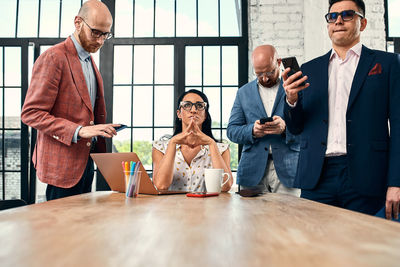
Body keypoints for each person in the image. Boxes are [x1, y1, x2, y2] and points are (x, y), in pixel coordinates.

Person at [283, 0, 400, 219]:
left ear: (362, 23)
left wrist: (396, 182)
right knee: (314, 246)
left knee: (363, 246)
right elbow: (296, 128)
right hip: (317, 176)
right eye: (332, 16)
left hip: (367, 174)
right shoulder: (309, 69)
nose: (338, 21)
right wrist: (291, 99)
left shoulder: (388, 64)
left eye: (347, 15)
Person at [21, 0, 119, 201]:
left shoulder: (89, 61)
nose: (100, 41)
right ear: (78, 23)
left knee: (82, 229)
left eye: (105, 35)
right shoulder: (54, 58)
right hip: (61, 168)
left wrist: (99, 129)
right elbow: (31, 113)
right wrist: (79, 131)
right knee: (60, 231)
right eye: (96, 33)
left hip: (85, 164)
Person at [227, 45, 301, 197]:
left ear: (279, 62)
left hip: (289, 170)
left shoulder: (295, 88)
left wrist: (285, 128)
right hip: (251, 171)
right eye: (259, 74)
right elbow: (232, 131)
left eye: (269, 72)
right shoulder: (243, 93)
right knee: (252, 220)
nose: (265, 78)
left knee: (290, 219)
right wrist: (252, 131)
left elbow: (310, 129)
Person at [152, 89, 233, 192]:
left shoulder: (221, 149)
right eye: (187, 105)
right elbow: (161, 186)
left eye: (199, 106)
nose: (194, 110)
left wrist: (211, 144)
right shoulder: (160, 148)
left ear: (205, 115)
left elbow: (225, 187)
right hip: (171, 207)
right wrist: (172, 143)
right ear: (179, 114)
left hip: (209, 207)